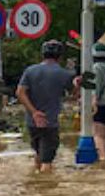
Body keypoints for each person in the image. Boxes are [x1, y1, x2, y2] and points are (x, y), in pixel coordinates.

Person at [16, 40, 80, 173]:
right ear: (60, 56)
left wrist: (34, 112)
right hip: (50, 122)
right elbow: (74, 95)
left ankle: (36, 184)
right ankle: (45, 188)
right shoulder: (64, 74)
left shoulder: (30, 71)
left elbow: (20, 93)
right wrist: (78, 84)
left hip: (32, 122)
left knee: (39, 154)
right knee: (47, 161)